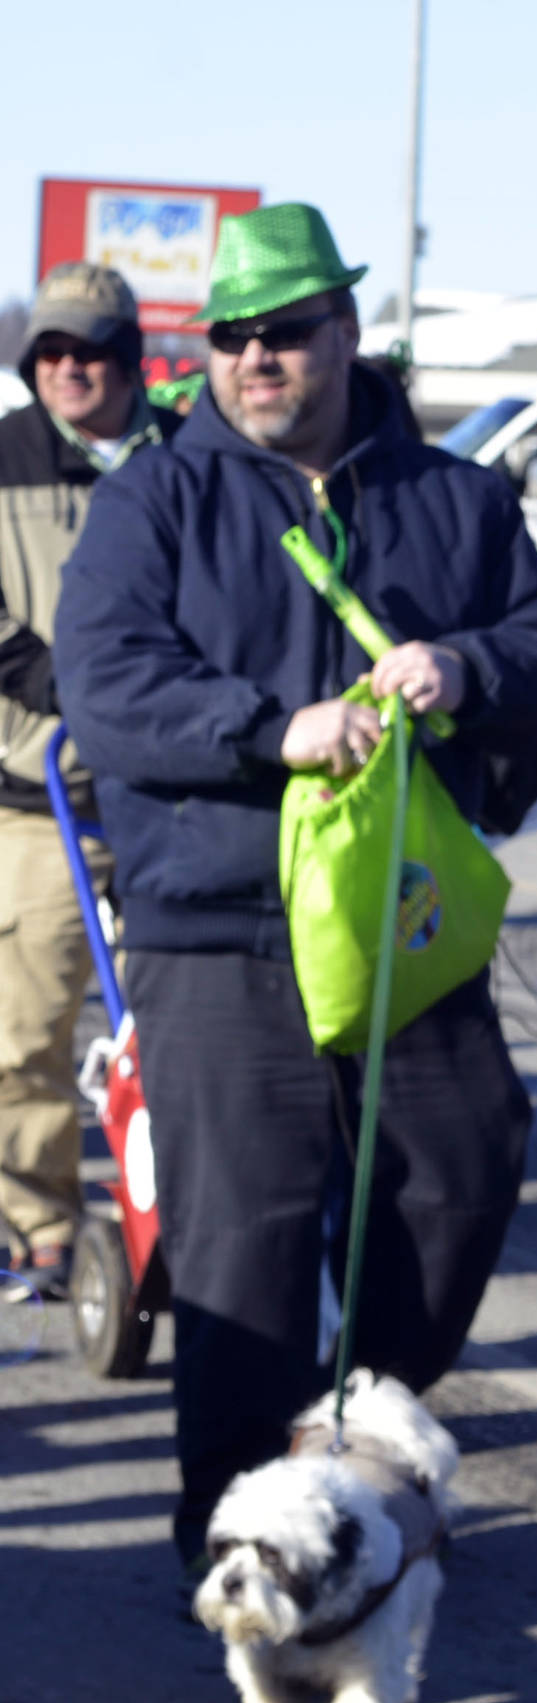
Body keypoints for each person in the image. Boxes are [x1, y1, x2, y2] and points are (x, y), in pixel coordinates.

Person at [54, 202, 537, 1587]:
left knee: (462, 1176)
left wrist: (467, 666)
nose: (255, 359)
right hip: (220, 926)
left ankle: (352, 1447)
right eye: (230, 337)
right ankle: (240, 1546)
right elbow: (104, 684)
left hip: (403, 922)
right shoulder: (155, 496)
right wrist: (268, 726)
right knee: (247, 1237)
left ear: (345, 331)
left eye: (284, 331)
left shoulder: (455, 498)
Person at [0, 264, 172, 1284]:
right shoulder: (3, 455)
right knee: (27, 1027)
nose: (70, 369)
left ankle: (198, 1205)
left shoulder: (187, 456)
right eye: (51, 352)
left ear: (129, 359)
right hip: (41, 787)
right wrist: (77, 683)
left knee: (188, 1022)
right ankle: (40, 1224)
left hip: (175, 789)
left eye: (92, 351)